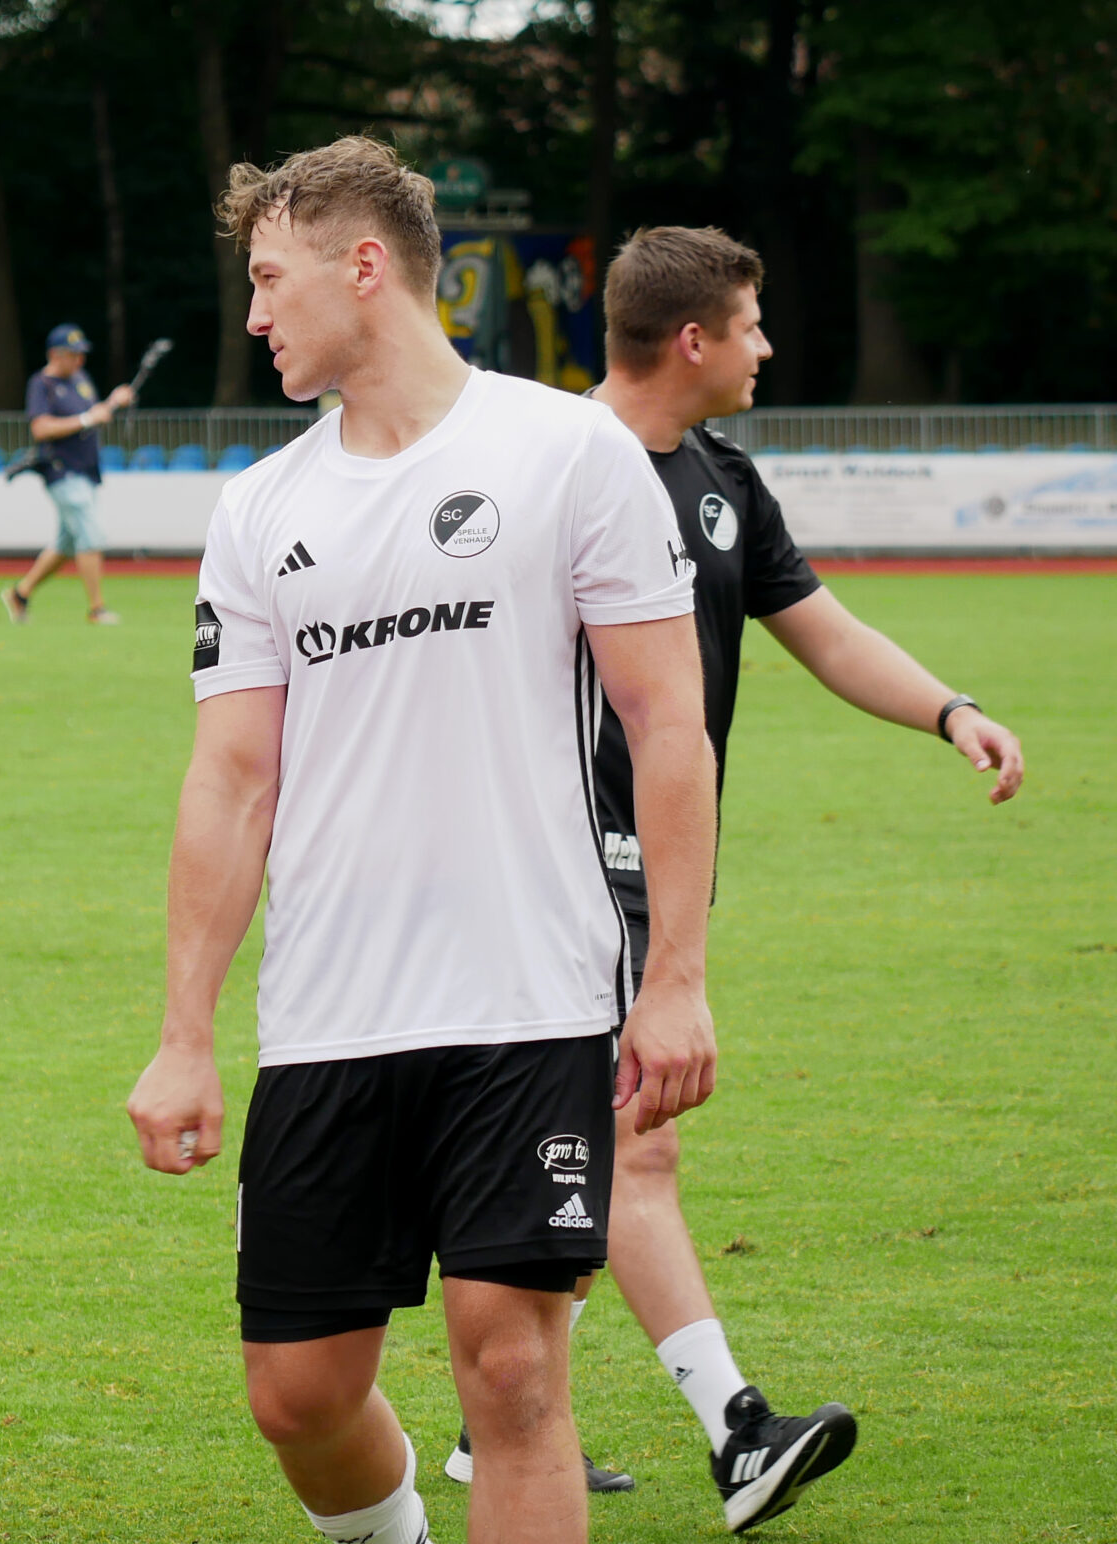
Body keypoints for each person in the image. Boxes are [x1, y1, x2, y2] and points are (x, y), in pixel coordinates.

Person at [124, 137, 717, 1544]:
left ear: (364, 265)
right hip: (332, 1014)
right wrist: (185, 1030)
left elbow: (668, 723)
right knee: (299, 1393)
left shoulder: (565, 449)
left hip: (532, 998)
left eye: (270, 280)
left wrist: (676, 975)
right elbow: (230, 780)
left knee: (512, 1372)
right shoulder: (261, 509)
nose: (256, 314)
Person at [436, 224, 1025, 1532]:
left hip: (659, 869)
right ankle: (737, 1429)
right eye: (753, 326)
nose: (768, 347)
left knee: (593, 1145)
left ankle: (499, 1434)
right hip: (550, 861)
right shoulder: (533, 466)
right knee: (637, 1144)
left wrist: (949, 710)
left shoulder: (721, 480)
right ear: (693, 338)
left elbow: (822, 629)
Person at [1, 323, 132, 626]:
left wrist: (113, 402)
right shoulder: (41, 384)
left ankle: (20, 594)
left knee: (66, 543)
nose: (79, 361)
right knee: (89, 534)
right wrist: (88, 418)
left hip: (85, 470)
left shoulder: (81, 380)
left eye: (81, 354)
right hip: (61, 470)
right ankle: (97, 609)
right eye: (73, 355)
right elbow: (41, 428)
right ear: (55, 355)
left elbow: (93, 414)